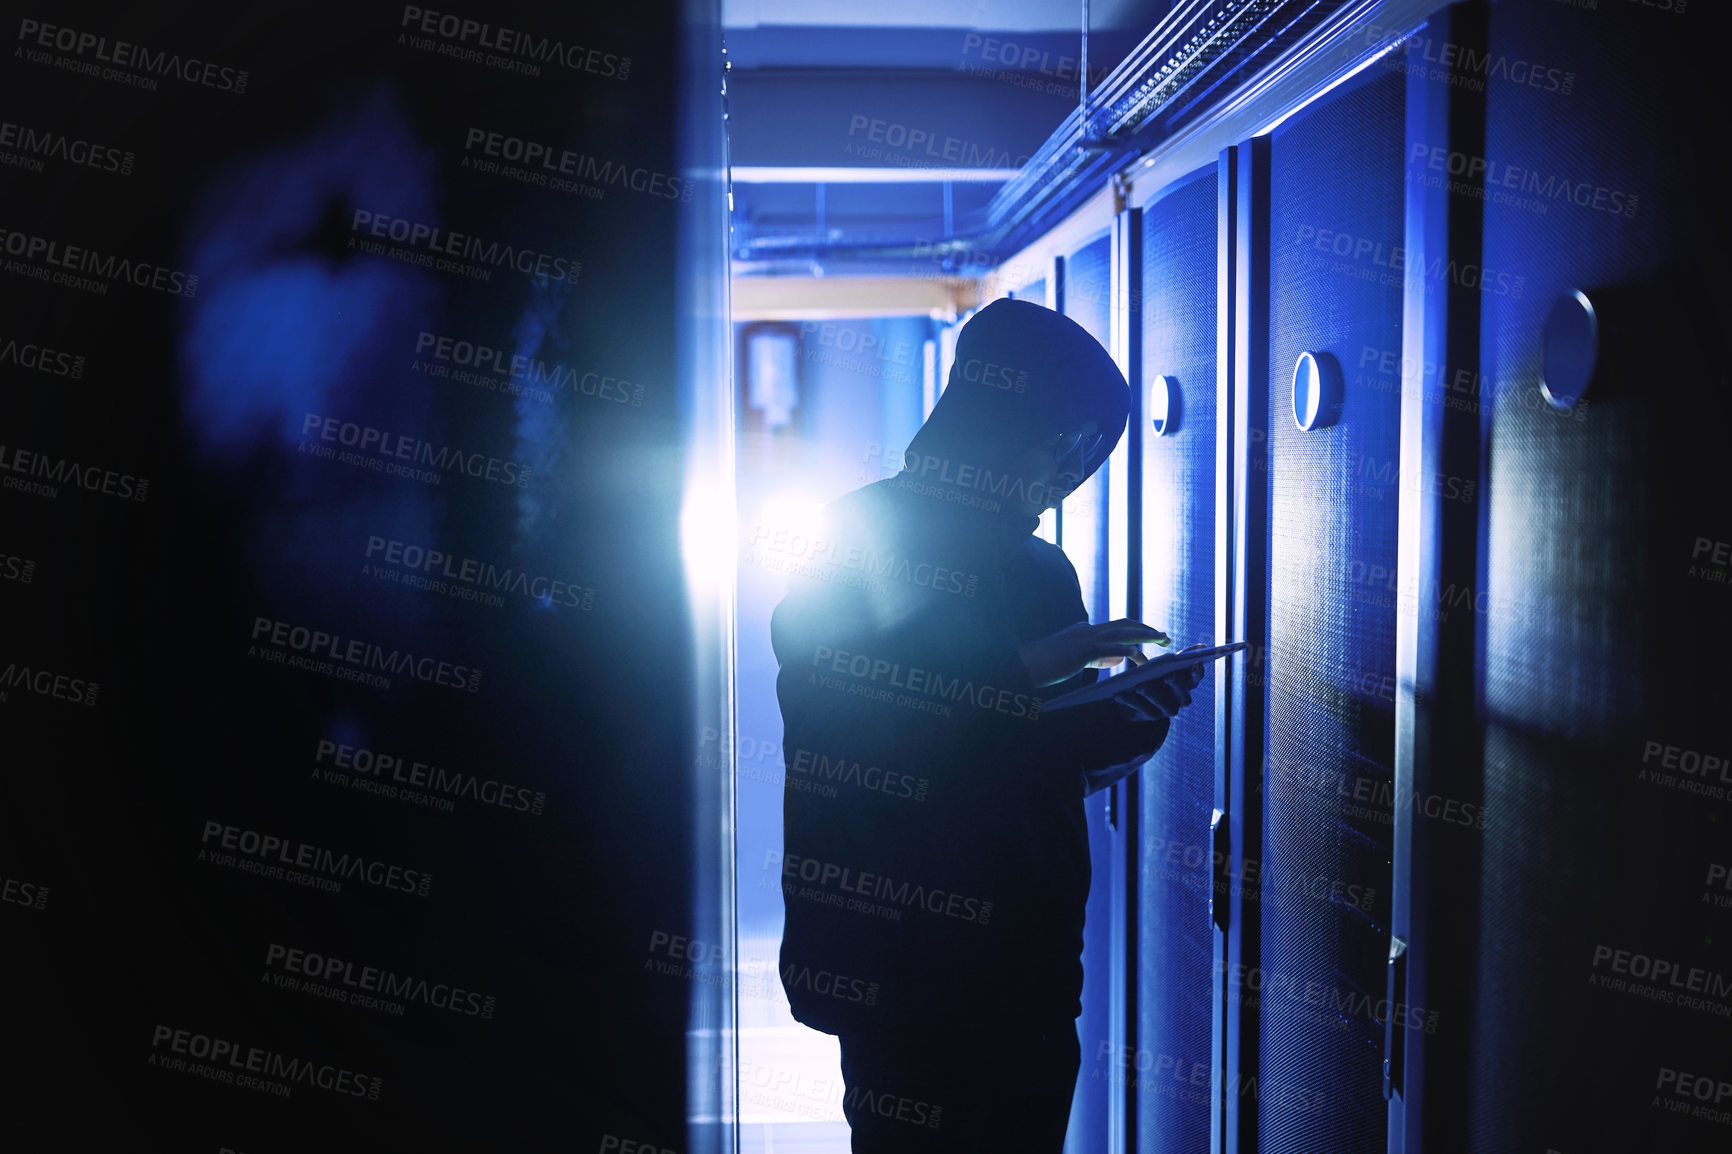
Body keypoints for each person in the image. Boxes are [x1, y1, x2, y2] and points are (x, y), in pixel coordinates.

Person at [771, 297, 1205, 1152]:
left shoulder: (1043, 568)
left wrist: (1133, 718)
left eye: (1089, 456)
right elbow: (841, 718)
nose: (1070, 473)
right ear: (995, 421)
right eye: (1063, 444)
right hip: (904, 964)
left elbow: (1048, 756)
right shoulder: (857, 533)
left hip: (1030, 964)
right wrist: (1023, 669)